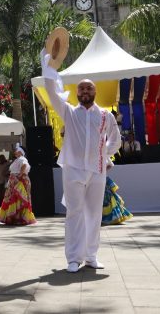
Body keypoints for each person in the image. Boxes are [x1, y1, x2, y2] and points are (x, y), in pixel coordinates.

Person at [41, 49, 121, 273]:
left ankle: (91, 255)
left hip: (97, 170)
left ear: (95, 91)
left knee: (94, 213)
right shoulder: (69, 112)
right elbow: (51, 90)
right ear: (76, 93)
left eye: (89, 88)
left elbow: (116, 139)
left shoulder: (106, 115)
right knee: (74, 212)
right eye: (81, 88)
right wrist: (49, 65)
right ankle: (73, 258)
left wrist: (104, 154)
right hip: (74, 169)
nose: (85, 91)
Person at [0, 145, 36, 225]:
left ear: (20, 152)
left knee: (18, 198)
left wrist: (20, 175)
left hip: (18, 180)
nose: (14, 152)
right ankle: (15, 217)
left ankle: (18, 217)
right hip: (15, 180)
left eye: (16, 150)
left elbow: (24, 165)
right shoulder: (17, 160)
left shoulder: (22, 159)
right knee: (13, 198)